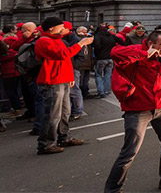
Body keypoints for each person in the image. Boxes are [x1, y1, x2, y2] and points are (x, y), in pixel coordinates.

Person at [104, 30, 161, 192]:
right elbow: (115, 53)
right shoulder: (136, 54)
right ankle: (112, 189)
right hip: (138, 110)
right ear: (151, 44)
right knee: (129, 152)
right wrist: (144, 54)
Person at [35, 16, 94, 155]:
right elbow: (62, 55)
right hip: (52, 82)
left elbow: (66, 60)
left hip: (62, 79)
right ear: (51, 28)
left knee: (65, 112)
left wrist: (70, 77)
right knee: (52, 115)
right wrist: (81, 44)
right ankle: (45, 144)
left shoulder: (57, 40)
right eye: (61, 26)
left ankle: (63, 137)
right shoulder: (44, 41)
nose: (64, 29)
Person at [63, 22, 87, 120]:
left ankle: (77, 110)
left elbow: (80, 55)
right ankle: (74, 109)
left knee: (74, 90)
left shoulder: (75, 39)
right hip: (70, 67)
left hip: (73, 68)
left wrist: (73, 66)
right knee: (70, 90)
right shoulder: (67, 38)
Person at [93, 24, 124, 98]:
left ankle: (101, 91)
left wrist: (98, 52)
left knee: (99, 75)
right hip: (110, 58)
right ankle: (106, 90)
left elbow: (96, 46)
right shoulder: (111, 35)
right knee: (108, 74)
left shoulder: (98, 36)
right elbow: (121, 41)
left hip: (101, 58)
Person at [0, 39, 23, 116]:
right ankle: (18, 108)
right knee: (15, 92)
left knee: (11, 92)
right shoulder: (14, 53)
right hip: (16, 73)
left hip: (8, 74)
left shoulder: (3, 56)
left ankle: (17, 109)